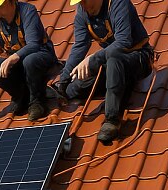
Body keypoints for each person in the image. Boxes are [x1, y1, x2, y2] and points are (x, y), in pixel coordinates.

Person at [56, 0, 154, 142]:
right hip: (110, 63)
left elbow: (123, 41)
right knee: (79, 84)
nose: (81, 5)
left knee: (114, 60)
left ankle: (112, 120)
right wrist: (63, 82)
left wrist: (92, 60)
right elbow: (79, 47)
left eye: (83, 1)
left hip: (138, 58)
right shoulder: (82, 14)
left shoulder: (118, 4)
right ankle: (63, 90)